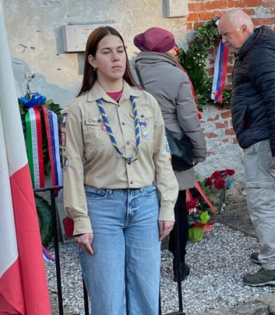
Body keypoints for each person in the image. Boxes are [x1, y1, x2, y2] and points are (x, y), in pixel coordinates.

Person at [62, 26, 178, 314]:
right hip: (101, 209)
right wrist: (80, 219)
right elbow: (73, 167)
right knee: (108, 298)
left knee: (146, 294)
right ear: (91, 60)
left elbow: (161, 157)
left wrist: (167, 206)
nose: (116, 58)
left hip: (145, 204)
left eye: (120, 50)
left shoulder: (146, 102)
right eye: (106, 52)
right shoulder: (79, 109)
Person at [217, 9, 275, 287]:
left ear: (244, 29)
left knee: (261, 203)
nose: (223, 41)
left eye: (226, 34)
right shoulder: (252, 53)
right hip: (263, 137)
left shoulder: (258, 55)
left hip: (263, 140)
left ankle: (273, 267)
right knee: (270, 198)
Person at [132, 27, 207, 283]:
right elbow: (188, 120)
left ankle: (144, 266)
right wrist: (198, 151)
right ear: (167, 50)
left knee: (144, 207)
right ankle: (178, 264)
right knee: (176, 208)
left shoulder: (128, 72)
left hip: (138, 148)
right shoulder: (176, 75)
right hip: (172, 152)